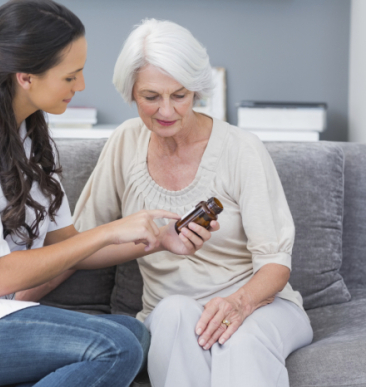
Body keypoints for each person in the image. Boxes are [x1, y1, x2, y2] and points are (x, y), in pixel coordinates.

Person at [0, 3, 217, 387]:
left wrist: (159, 241)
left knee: (134, 335)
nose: (81, 85)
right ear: (26, 78)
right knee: (116, 347)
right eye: (71, 75)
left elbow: (69, 248)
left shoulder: (27, 133)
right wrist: (107, 230)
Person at [73, 19, 313, 387]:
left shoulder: (241, 149)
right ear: (131, 92)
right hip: (171, 309)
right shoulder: (124, 143)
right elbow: (77, 245)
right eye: (151, 97)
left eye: (179, 95)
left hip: (260, 303)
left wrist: (239, 302)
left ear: (197, 91)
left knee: (240, 339)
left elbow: (275, 265)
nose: (166, 111)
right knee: (173, 313)